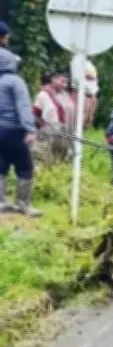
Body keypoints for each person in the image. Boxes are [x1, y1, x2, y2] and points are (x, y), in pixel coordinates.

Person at [0, 22, 41, 217]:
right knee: (25, 166)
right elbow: (24, 107)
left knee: (1, 165)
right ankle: (23, 204)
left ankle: (0, 202)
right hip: (14, 131)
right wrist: (30, 129)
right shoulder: (15, 82)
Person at [33, 70, 76, 162]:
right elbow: (35, 114)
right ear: (53, 79)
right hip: (47, 136)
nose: (64, 84)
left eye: (66, 82)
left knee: (61, 161)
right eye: (62, 81)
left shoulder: (67, 96)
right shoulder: (43, 94)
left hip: (65, 134)